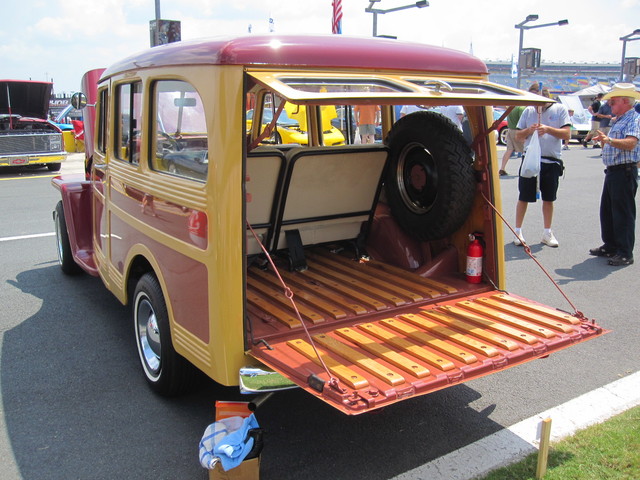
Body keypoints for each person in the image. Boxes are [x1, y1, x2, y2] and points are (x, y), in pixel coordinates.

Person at [513, 86, 571, 248]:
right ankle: (517, 231)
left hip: (551, 161)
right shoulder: (528, 111)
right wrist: (528, 130)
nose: (536, 105)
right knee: (524, 196)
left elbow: (567, 134)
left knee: (549, 198)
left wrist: (548, 129)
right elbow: (517, 135)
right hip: (530, 160)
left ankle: (547, 232)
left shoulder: (559, 109)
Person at [590, 83, 640, 266]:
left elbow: (631, 143)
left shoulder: (633, 119)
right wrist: (605, 141)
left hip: (624, 170)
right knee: (608, 210)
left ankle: (625, 252)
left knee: (623, 213)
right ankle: (610, 245)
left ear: (625, 102)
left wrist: (609, 139)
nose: (610, 105)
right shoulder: (619, 119)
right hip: (614, 170)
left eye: (613, 102)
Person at [499, 104, 526, 176]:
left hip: (510, 130)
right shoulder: (521, 108)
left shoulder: (511, 107)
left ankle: (502, 168)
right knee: (525, 151)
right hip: (518, 131)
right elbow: (522, 121)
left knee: (509, 150)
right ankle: (524, 170)